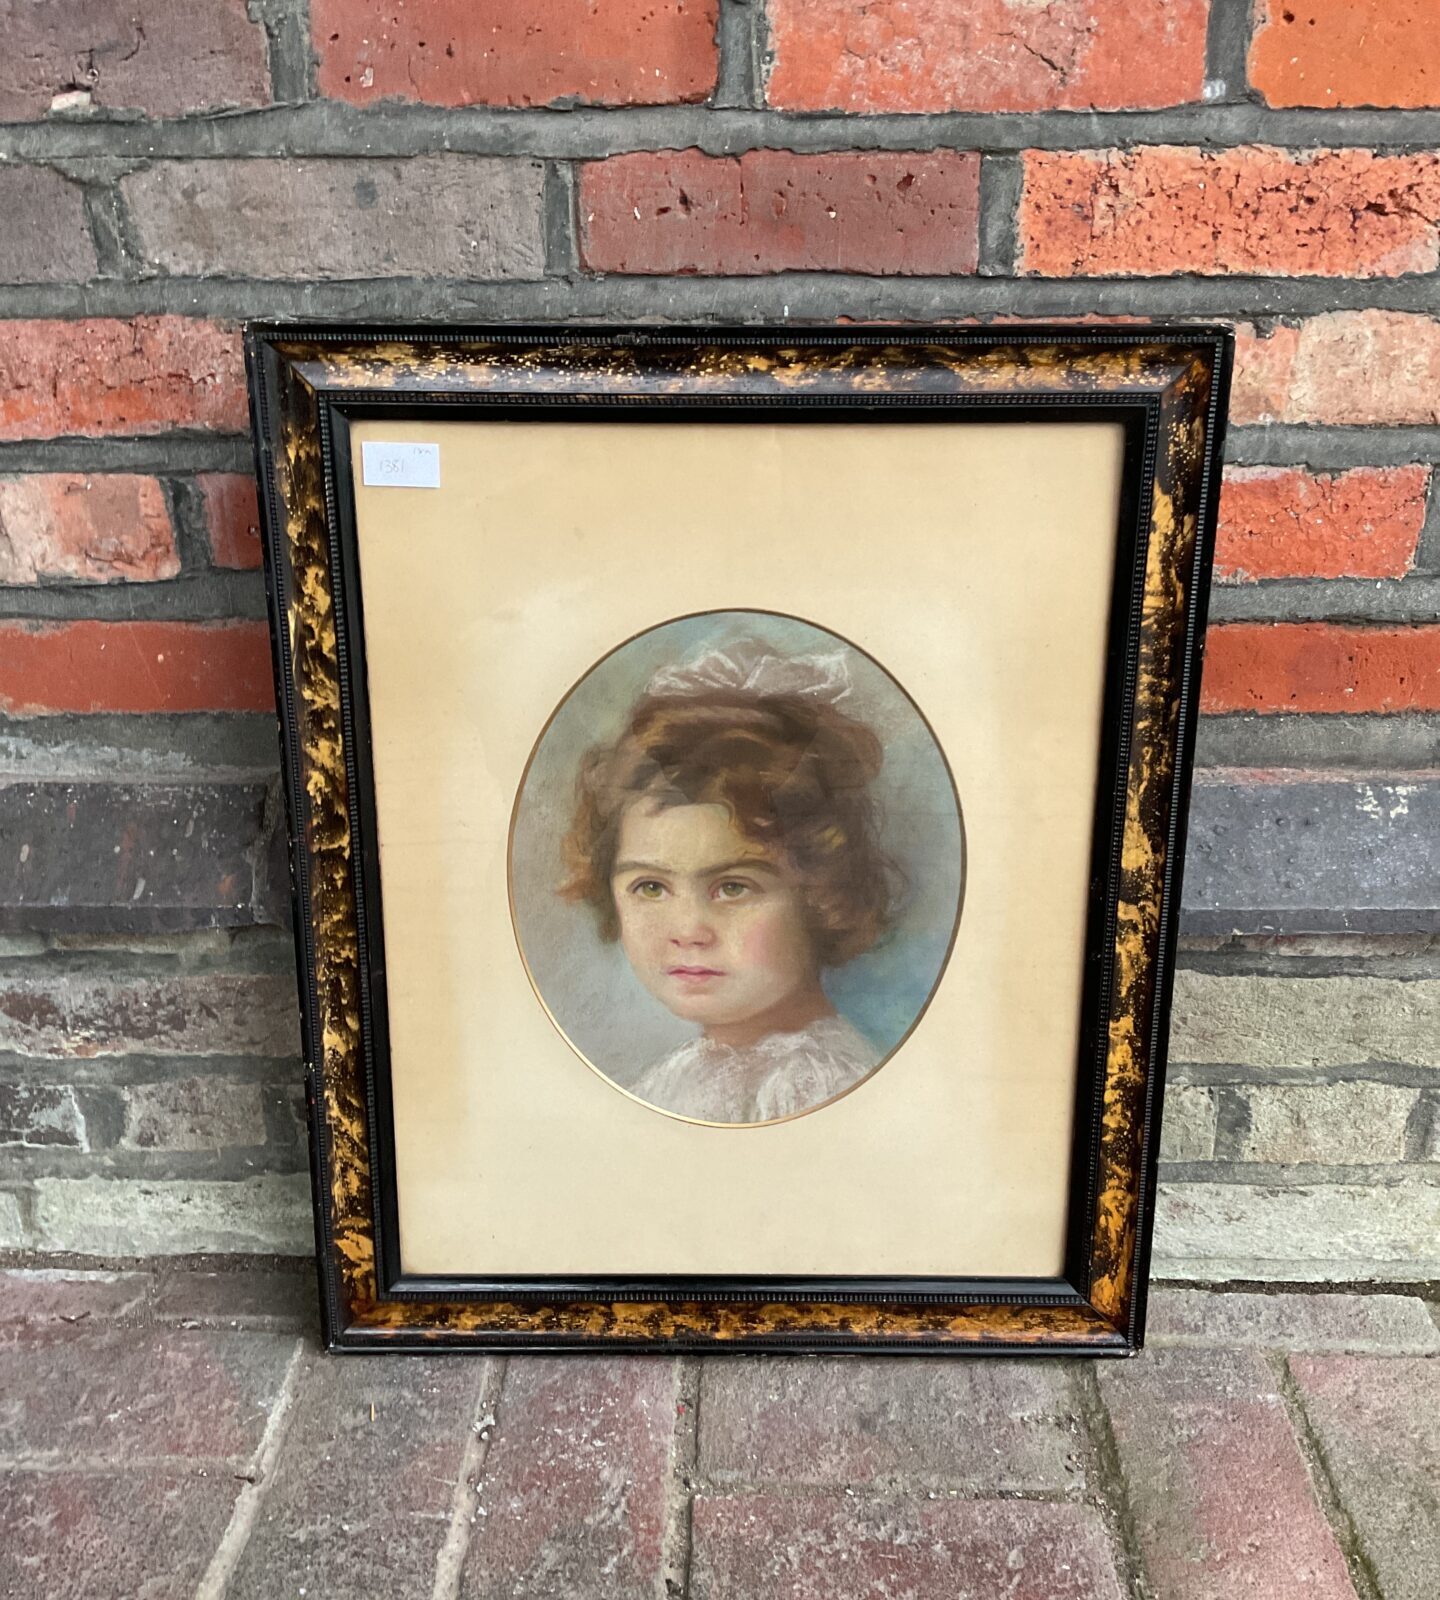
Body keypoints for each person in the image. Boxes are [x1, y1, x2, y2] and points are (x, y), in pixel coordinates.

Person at [559, 639, 902, 1123]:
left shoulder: (816, 1087)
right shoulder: (678, 1078)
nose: (688, 929)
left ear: (820, 893)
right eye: (651, 888)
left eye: (732, 887)